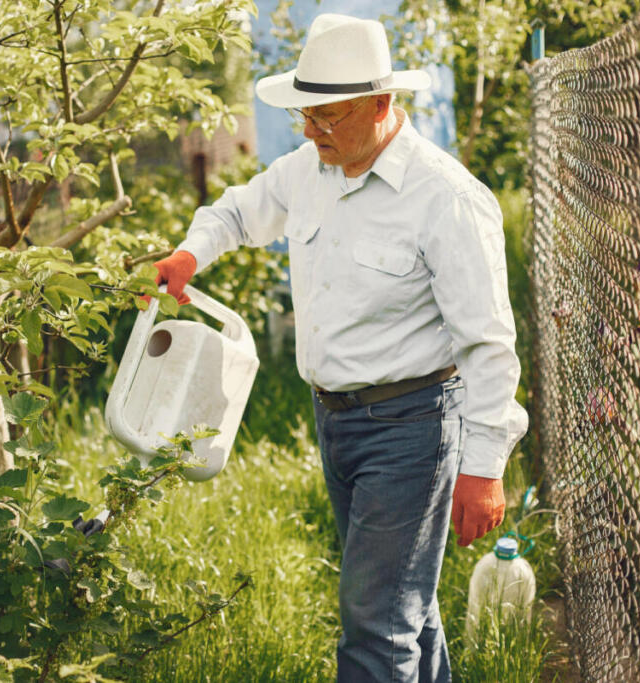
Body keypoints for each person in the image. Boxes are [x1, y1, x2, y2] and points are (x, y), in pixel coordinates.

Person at [152, 14, 529, 683]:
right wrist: (190, 253)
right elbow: (239, 211)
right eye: (306, 115)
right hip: (336, 422)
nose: (311, 130)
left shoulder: (445, 198)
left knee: (374, 625)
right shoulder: (308, 170)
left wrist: (486, 464)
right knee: (401, 608)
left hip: (411, 427)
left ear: (383, 104)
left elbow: (488, 341)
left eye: (328, 116)